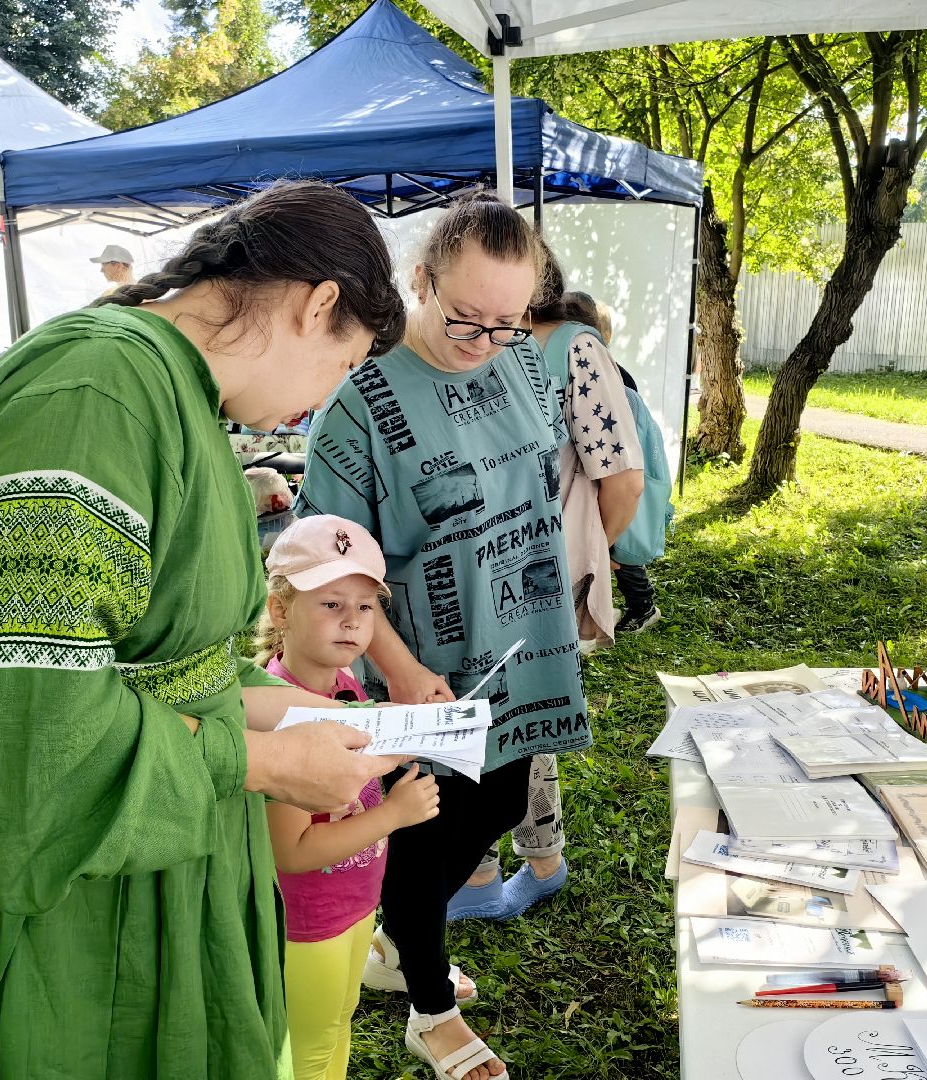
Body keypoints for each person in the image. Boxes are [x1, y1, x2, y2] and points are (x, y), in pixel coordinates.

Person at [0, 180, 411, 1079]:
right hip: (59, 909)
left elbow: (171, 661)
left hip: (146, 877)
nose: (322, 399)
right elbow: (29, 737)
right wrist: (264, 763)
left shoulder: (174, 397)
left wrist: (297, 715)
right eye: (345, 365)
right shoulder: (99, 393)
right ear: (318, 305)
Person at [297, 191, 591, 1080]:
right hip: (418, 662)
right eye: (466, 318)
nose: (486, 341)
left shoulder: (522, 364)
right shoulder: (361, 400)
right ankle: (428, 1007)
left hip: (524, 643)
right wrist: (400, 665)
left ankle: (392, 934)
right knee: (425, 829)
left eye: (509, 322)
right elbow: (329, 560)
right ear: (419, 282)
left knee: (502, 804)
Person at [446, 260, 643, 925]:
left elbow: (623, 481)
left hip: (536, 581)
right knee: (473, 719)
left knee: (525, 723)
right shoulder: (472, 344)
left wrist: (574, 564)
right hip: (472, 575)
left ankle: (537, 864)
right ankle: (482, 868)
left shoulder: (573, 348)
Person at [255, 513, 443, 1080]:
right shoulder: (278, 714)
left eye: (365, 607)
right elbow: (294, 851)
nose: (352, 622)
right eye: (331, 604)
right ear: (281, 610)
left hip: (356, 900)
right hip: (307, 918)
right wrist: (391, 815)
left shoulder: (345, 686)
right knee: (306, 1052)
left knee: (341, 1021)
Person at [575, 294, 661, 634]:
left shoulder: (609, 375)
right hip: (599, 474)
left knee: (615, 546)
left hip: (610, 475)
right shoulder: (605, 369)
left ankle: (643, 605)